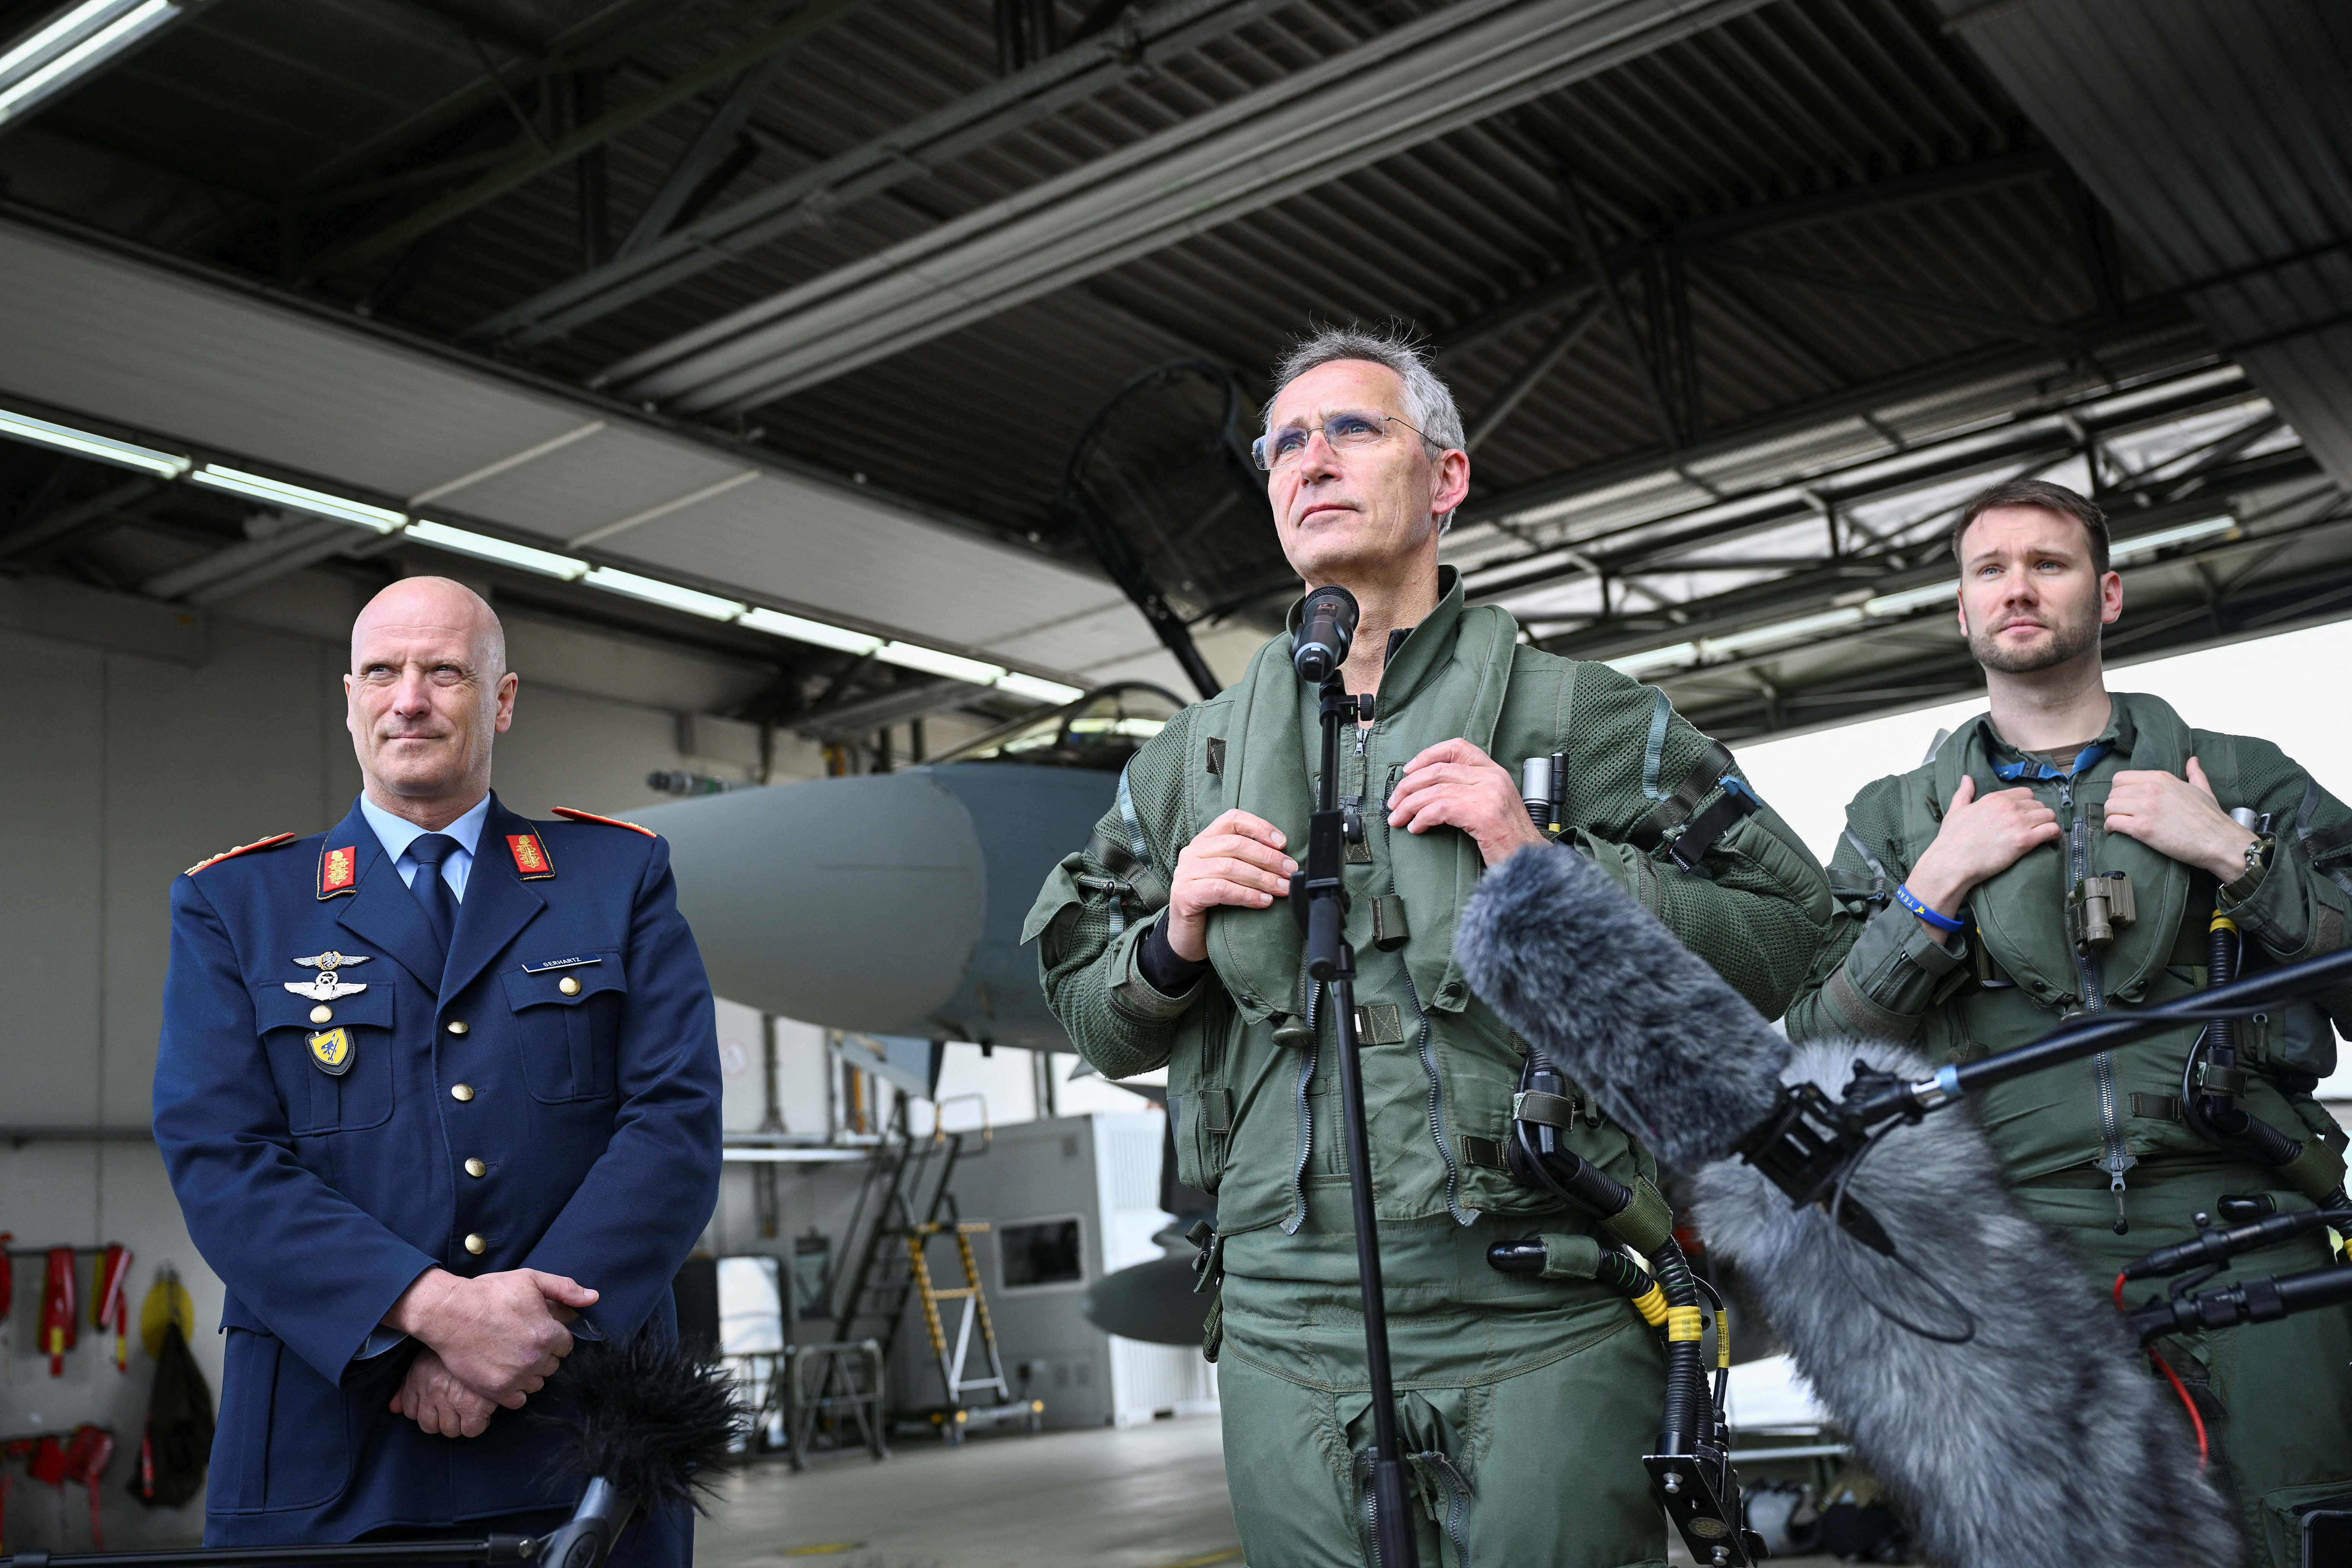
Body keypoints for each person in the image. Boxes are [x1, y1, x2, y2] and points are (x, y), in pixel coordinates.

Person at [1027, 326, 1832, 1566]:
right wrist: (1174, 934)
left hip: (1537, 1312)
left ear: (1446, 479)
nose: (1312, 460)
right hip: (1282, 1336)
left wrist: (1545, 865)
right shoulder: (1192, 763)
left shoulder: (1577, 715)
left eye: (1353, 428)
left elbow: (1787, 933)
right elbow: (1090, 1006)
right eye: (1285, 441)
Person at [1787, 478, 2352, 1566]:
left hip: (2242, 1215)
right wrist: (1931, 893)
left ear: (2110, 594)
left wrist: (2241, 858)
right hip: (2010, 1246)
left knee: (2305, 1526)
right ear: (1961, 610)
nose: (2018, 588)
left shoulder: (2240, 780)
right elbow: (1815, 1051)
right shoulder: (1899, 819)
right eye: (1989, 569)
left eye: (2048, 564)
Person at [154, 577, 722, 1560]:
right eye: (383, 672)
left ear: (501, 701)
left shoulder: (617, 879)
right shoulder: (237, 906)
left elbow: (673, 1126)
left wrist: (519, 1338)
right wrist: (430, 1312)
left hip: (577, 1444)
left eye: (444, 672)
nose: (408, 698)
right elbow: (220, 1155)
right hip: (326, 1448)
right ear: (350, 701)